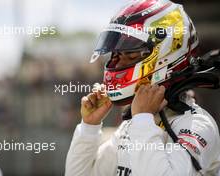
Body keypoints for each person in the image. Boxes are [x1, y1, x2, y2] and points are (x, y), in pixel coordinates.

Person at [65, 0, 220, 175]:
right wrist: (89, 127)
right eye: (115, 54)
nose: (117, 64)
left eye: (129, 54)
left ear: (166, 55)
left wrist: (143, 120)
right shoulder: (133, 125)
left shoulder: (197, 125)